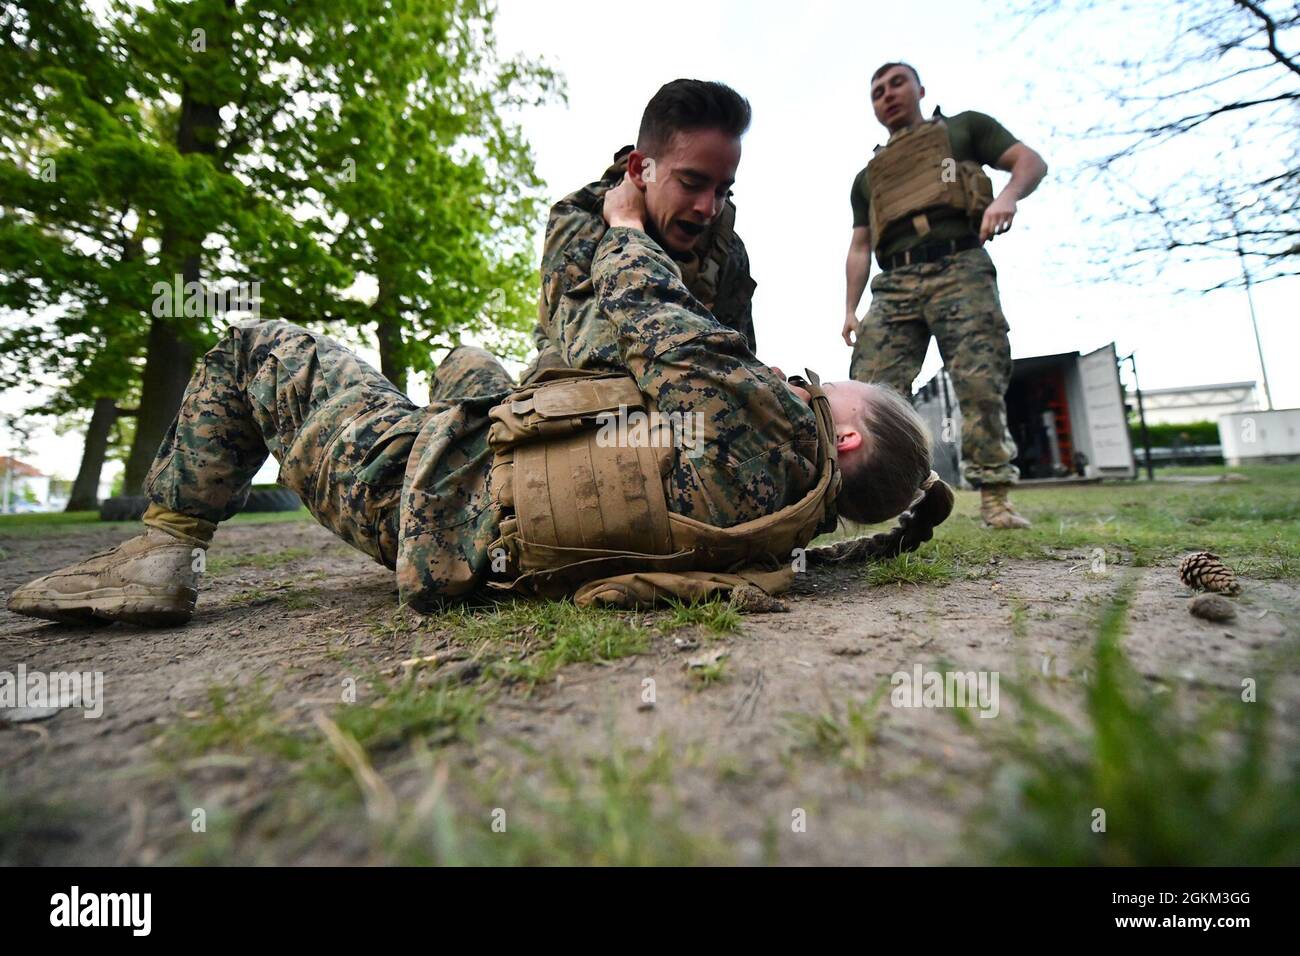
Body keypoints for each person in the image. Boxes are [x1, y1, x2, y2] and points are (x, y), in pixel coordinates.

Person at [8, 151, 953, 628]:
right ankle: (444, 413)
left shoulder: (771, 423)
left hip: (423, 496)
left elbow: (642, 311)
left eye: (824, 391)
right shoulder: (787, 528)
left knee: (258, 349)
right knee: (465, 364)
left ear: (845, 442)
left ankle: (165, 554)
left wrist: (624, 214)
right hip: (489, 526)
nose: (800, 382)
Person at [842, 62, 1047, 529]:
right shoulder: (867, 176)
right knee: (873, 393)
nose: (888, 94)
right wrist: (850, 309)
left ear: (920, 88)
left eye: (897, 83)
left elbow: (1030, 161)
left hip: (960, 266)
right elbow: (859, 246)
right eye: (877, 90)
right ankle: (895, 499)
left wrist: (1008, 196)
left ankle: (995, 498)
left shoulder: (965, 128)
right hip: (895, 282)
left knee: (979, 381)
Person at [523, 78, 758, 382]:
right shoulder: (581, 219)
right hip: (578, 397)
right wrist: (628, 232)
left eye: (722, 191)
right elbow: (589, 349)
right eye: (691, 183)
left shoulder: (725, 250)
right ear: (640, 169)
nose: (708, 208)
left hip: (687, 410)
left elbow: (744, 365)